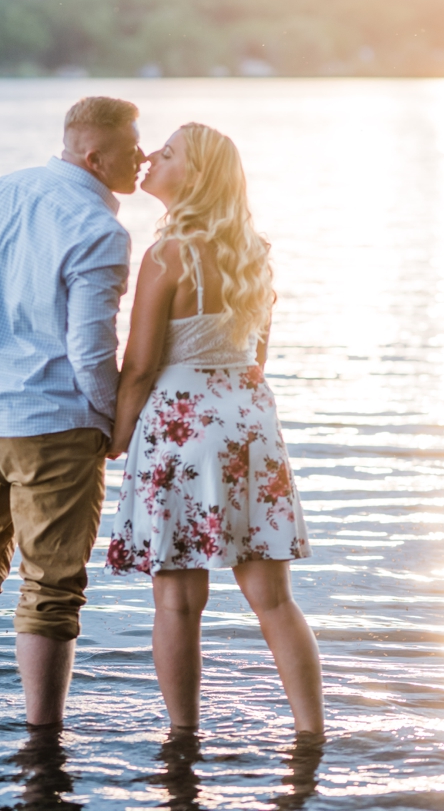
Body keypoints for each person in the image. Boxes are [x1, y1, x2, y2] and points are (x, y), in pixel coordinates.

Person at [0, 96, 143, 724]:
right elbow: (92, 348)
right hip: (53, 423)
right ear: (95, 157)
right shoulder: (101, 231)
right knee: (51, 589)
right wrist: (112, 422)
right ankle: (43, 742)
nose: (143, 158)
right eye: (131, 150)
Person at [106, 124, 322, 737]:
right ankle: (312, 734)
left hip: (183, 425)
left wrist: (115, 440)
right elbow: (257, 358)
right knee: (274, 600)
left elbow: (141, 365)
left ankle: (183, 741)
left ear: (194, 178)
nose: (151, 157)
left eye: (167, 154)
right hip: (249, 422)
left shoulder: (168, 255)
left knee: (177, 602)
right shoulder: (253, 253)